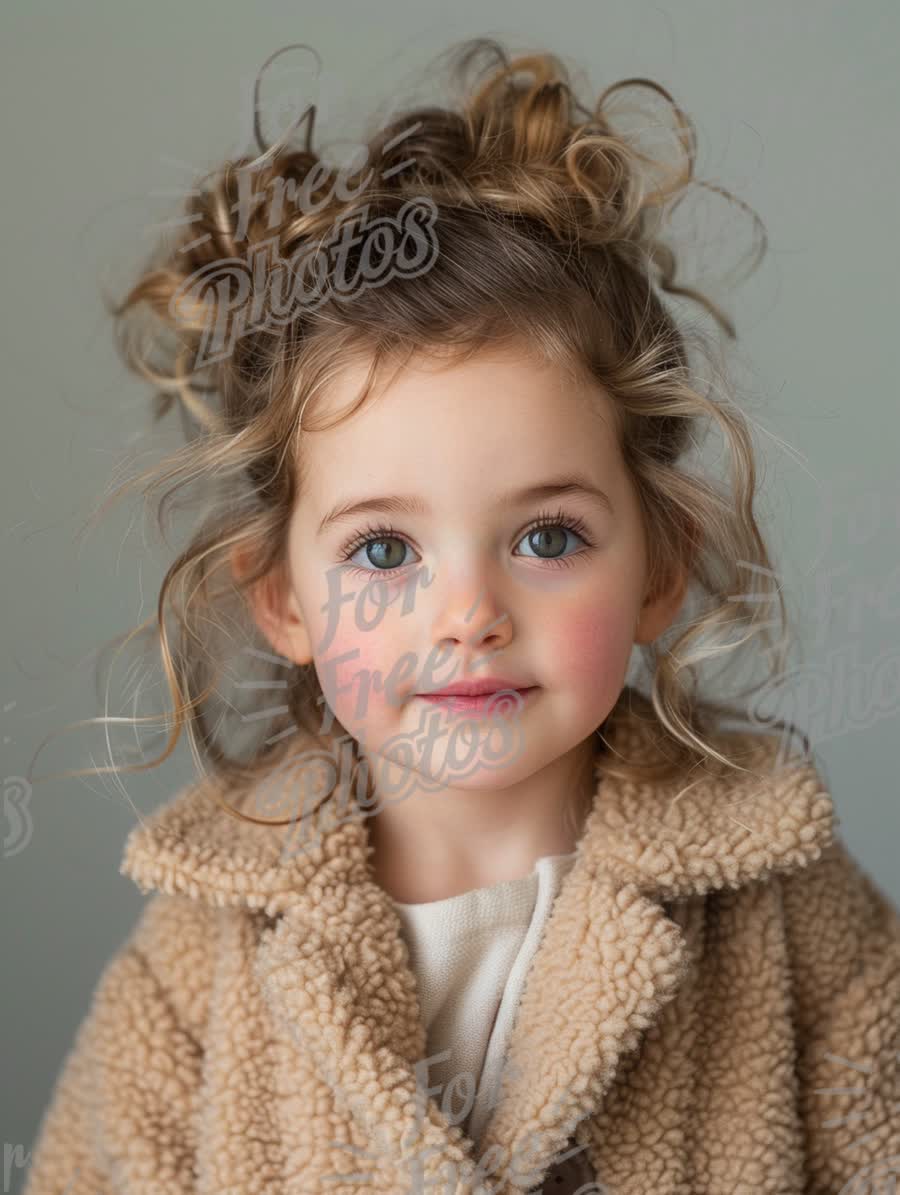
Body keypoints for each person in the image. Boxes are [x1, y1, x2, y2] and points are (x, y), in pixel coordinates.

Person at [24, 37, 899, 1195]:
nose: (470, 613)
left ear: (658, 569)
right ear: (281, 597)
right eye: (385, 550)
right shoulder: (197, 968)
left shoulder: (787, 913)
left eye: (548, 538)